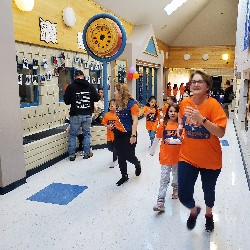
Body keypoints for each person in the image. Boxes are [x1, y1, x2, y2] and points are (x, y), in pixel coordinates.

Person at [177, 70, 227, 232]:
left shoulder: (213, 105)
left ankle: (208, 214)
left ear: (207, 86)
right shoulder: (185, 103)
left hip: (210, 160)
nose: (196, 84)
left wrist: (202, 119)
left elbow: (220, 132)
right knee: (183, 193)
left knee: (208, 191)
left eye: (200, 82)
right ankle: (193, 210)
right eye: (193, 82)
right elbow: (181, 118)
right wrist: (179, 127)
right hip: (187, 156)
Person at [150, 103, 182, 212]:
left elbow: (184, 140)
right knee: (164, 179)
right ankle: (160, 201)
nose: (173, 113)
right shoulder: (163, 125)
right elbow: (157, 137)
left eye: (175, 111)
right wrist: (152, 150)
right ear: (167, 113)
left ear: (178, 113)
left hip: (178, 158)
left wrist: (173, 141)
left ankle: (176, 188)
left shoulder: (180, 126)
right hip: (165, 157)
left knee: (176, 175)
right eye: (171, 111)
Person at [64, 70, 100, 161]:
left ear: (75, 77)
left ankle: (72, 155)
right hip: (87, 114)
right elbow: (96, 98)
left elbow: (66, 101)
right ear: (83, 76)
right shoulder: (90, 86)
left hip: (75, 115)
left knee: (73, 135)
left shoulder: (71, 87)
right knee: (86, 134)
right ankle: (86, 153)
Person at [114, 83, 141, 186]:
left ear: (121, 92)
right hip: (118, 133)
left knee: (129, 155)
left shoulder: (132, 104)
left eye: (116, 91)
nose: (114, 93)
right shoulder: (117, 103)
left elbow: (135, 121)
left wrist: (133, 135)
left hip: (129, 133)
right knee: (120, 155)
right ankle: (124, 176)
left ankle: (137, 163)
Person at [102, 99, 118, 168]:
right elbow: (104, 123)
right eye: (111, 104)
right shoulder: (107, 115)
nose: (112, 105)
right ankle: (118, 153)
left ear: (116, 106)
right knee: (110, 148)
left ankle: (115, 160)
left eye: (113, 104)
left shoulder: (118, 115)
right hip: (109, 136)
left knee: (115, 148)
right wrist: (107, 126)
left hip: (116, 136)